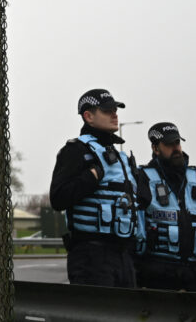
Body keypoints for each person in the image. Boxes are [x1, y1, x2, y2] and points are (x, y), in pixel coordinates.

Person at [50, 89, 142, 287]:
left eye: (115, 110)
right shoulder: (75, 150)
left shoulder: (120, 157)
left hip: (124, 256)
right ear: (88, 116)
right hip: (91, 256)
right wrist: (91, 177)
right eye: (107, 110)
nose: (114, 115)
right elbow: (57, 199)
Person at [134, 122, 196, 292]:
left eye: (177, 142)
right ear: (156, 148)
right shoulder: (143, 179)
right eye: (169, 144)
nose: (176, 148)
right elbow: (134, 229)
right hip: (156, 277)